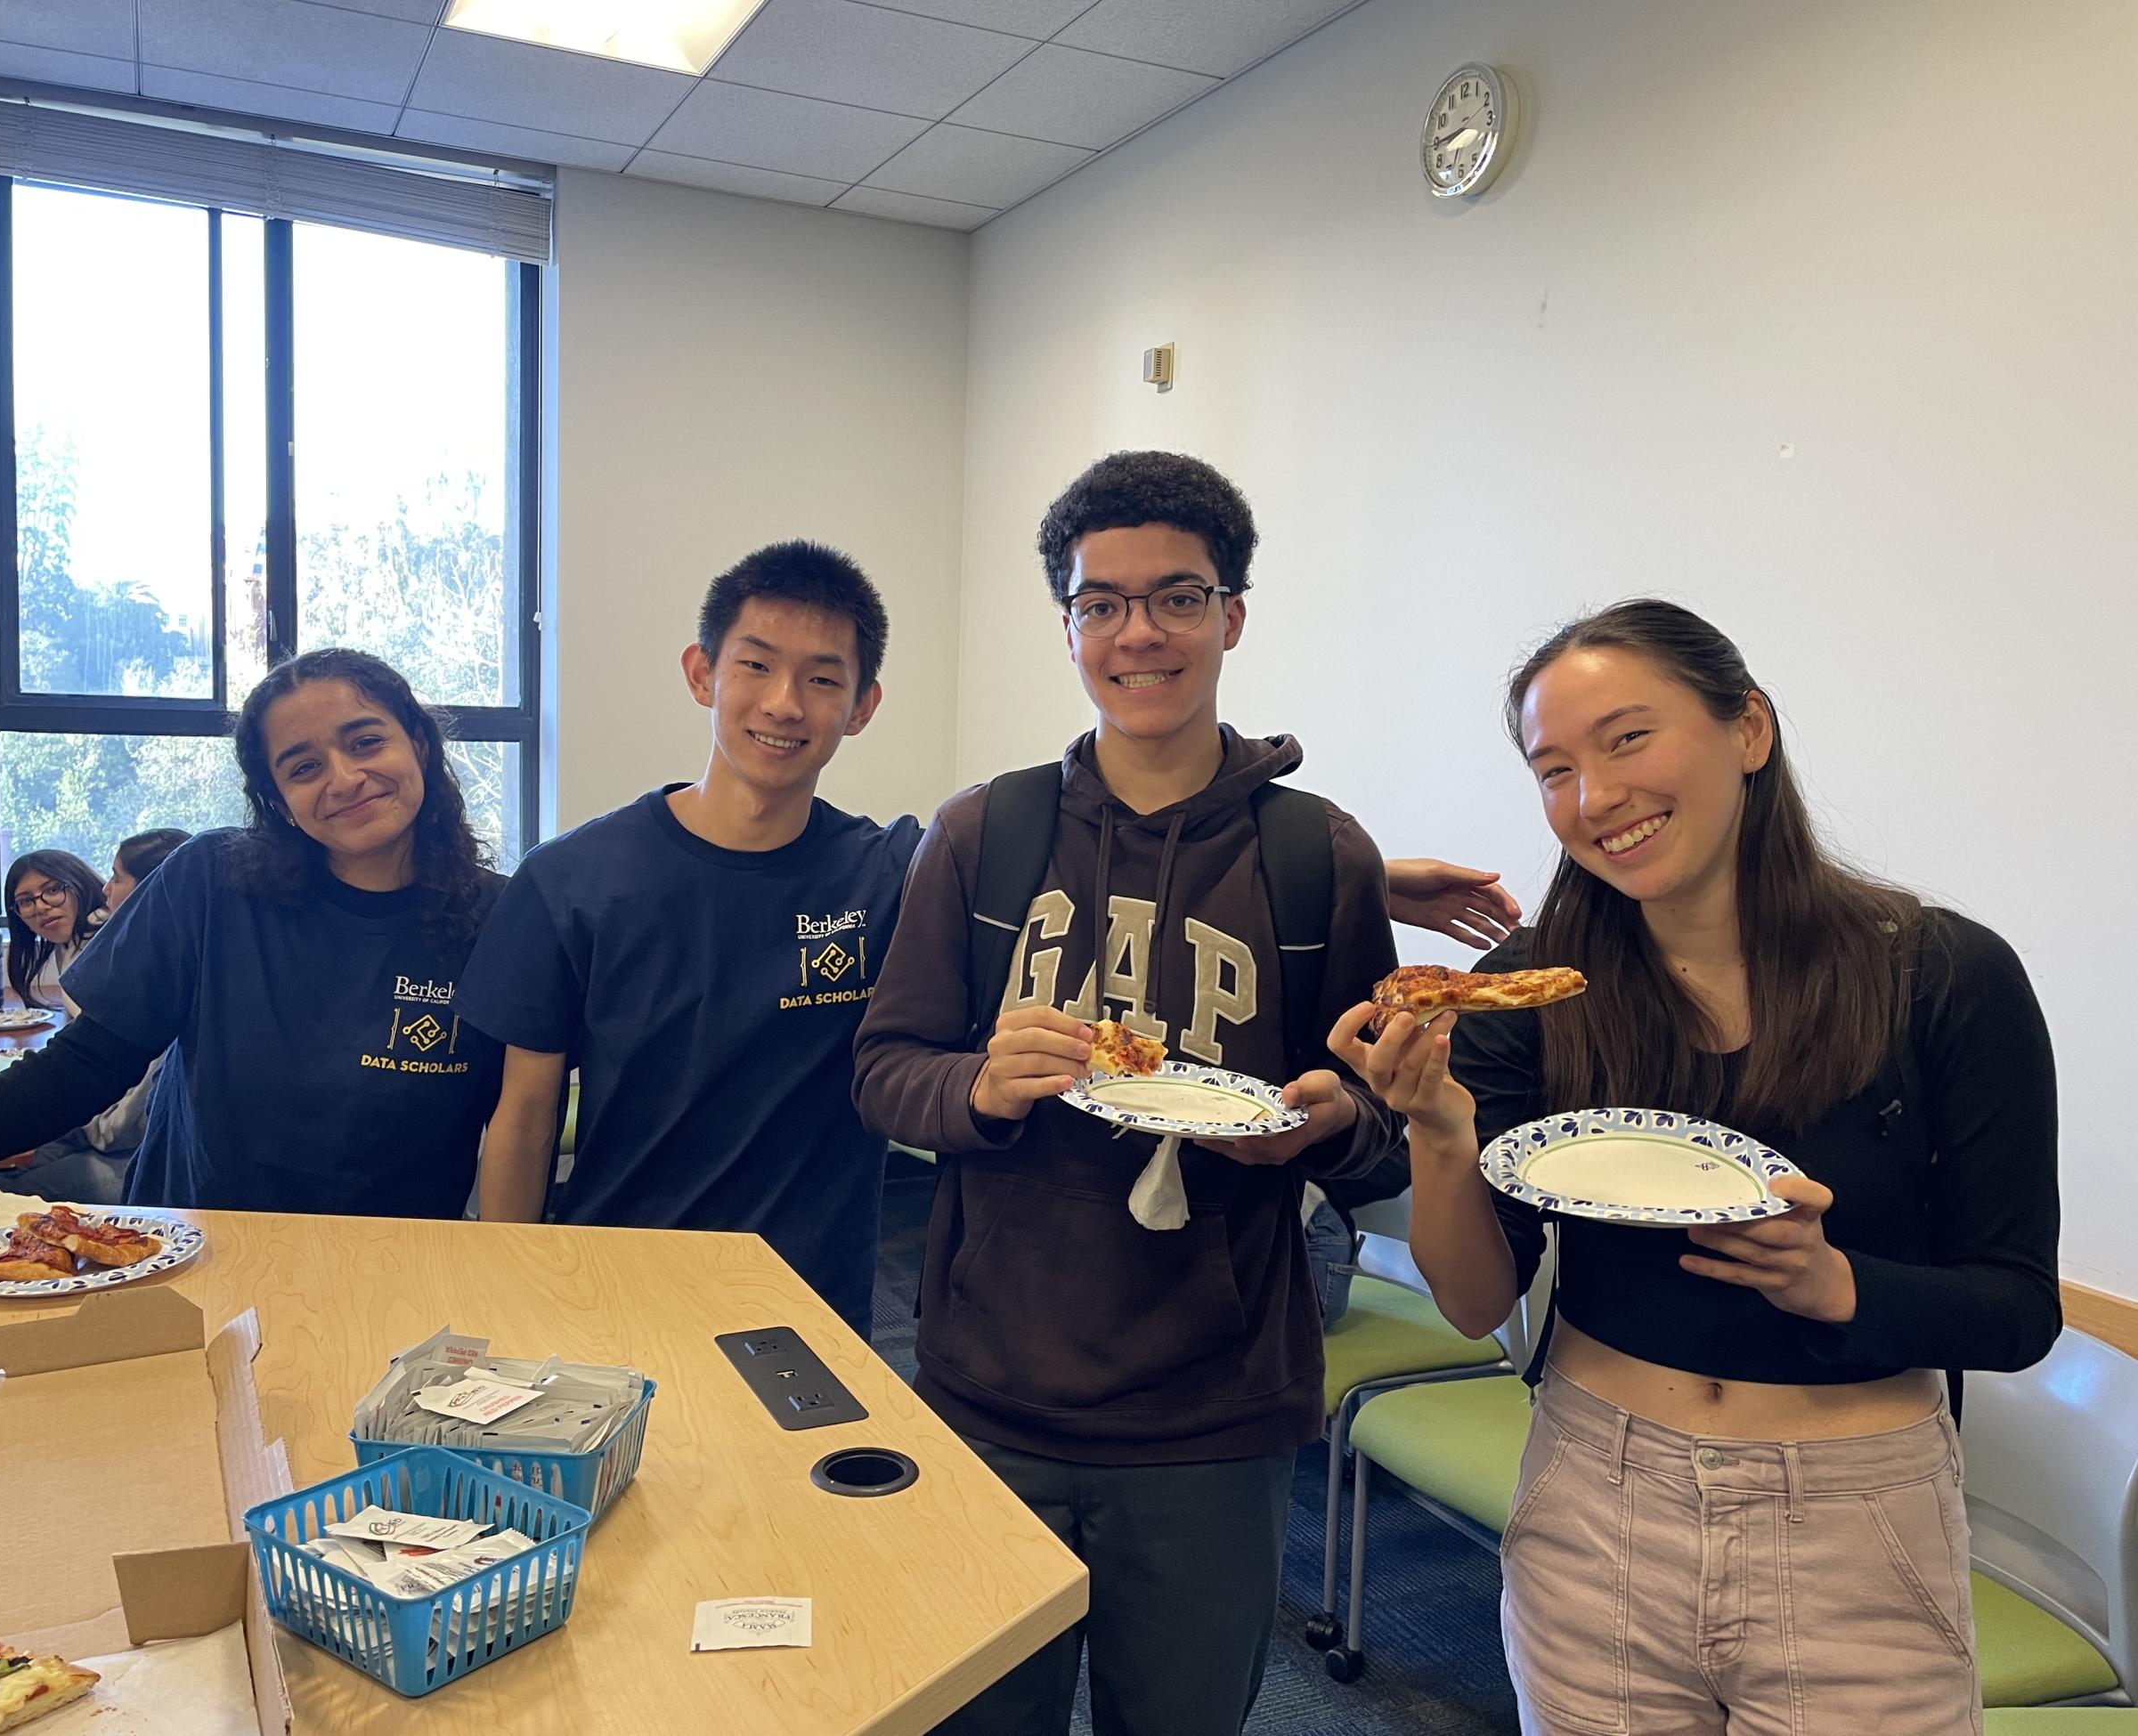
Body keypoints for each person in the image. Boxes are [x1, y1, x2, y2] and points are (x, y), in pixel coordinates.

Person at [850, 450, 1516, 1736]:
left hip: (1215, 1415)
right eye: (1100, 602)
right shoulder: (984, 832)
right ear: (1068, 625)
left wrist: (1336, 1121)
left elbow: (1372, 1120)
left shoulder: (1317, 854)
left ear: (1232, 616)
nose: (1137, 632)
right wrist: (981, 1085)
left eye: (1176, 596)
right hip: (992, 1389)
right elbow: (886, 1068)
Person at [1337, 600, 2060, 1736]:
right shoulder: (1536, 989)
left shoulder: (1937, 977)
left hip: (1851, 1517)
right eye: (1554, 769)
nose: (1594, 799)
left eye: (1628, 739)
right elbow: (1477, 1300)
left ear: (1748, 729)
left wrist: (1834, 1285)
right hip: (1595, 1497)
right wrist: (1436, 1127)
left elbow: (2018, 1311)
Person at [0, 651, 506, 1216]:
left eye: (365, 742)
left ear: (417, 740)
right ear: (276, 799)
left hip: (407, 1270)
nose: (345, 778)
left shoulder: (501, 917)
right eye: (303, 766)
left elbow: (523, 1120)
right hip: (196, 1251)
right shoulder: (212, 883)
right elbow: (80, 1068)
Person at [459, 541, 918, 1337]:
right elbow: (526, 1116)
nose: (784, 704)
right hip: (614, 1293)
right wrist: (510, 1292)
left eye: (822, 679)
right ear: (702, 674)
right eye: (756, 666)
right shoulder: (571, 881)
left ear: (863, 706)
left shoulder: (887, 879)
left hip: (809, 1316)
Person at [68, 827, 195, 1163]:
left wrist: (66, 1122)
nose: (105, 889)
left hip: (135, 1161)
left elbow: (117, 1131)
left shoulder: (161, 983)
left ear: (154, 888)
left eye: (117, 878)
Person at [2, 849, 109, 1010]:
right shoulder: (67, 944)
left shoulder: (108, 936)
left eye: (52, 890)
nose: (40, 907)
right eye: (25, 901)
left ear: (80, 883)